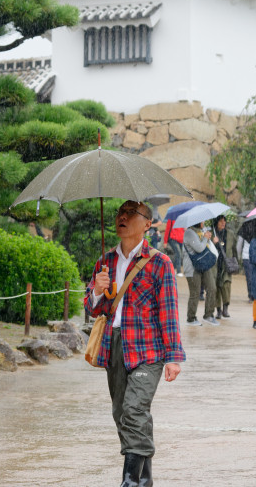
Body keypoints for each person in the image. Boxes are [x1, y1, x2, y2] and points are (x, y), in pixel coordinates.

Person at [84, 200, 185, 487]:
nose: (123, 217)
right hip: (113, 346)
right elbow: (92, 309)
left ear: (147, 224)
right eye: (120, 213)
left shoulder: (159, 263)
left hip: (147, 349)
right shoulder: (105, 262)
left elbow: (168, 311)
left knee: (134, 410)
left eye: (131, 214)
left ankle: (129, 481)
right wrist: (96, 290)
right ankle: (145, 480)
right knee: (121, 414)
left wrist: (173, 356)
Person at [184, 221, 219, 326]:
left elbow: (206, 246)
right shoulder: (189, 233)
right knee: (195, 292)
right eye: (202, 221)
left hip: (204, 264)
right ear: (197, 222)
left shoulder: (201, 231)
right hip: (192, 267)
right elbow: (199, 248)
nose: (203, 222)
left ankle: (208, 314)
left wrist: (209, 239)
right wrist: (205, 238)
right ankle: (191, 318)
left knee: (212, 288)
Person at [211, 214, 234, 319]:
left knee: (226, 286)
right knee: (216, 288)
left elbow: (233, 249)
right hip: (215, 264)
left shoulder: (229, 234)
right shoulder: (212, 234)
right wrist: (212, 241)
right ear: (216, 223)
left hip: (226, 263)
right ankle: (218, 310)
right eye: (220, 221)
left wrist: (234, 262)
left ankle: (226, 308)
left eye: (224, 221)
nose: (223, 223)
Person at [235, 233, 252, 302]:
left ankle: (253, 295)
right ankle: (252, 295)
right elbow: (239, 243)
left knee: (251, 277)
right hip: (248, 256)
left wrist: (238, 256)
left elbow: (239, 244)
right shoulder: (245, 230)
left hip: (253, 257)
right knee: (251, 277)